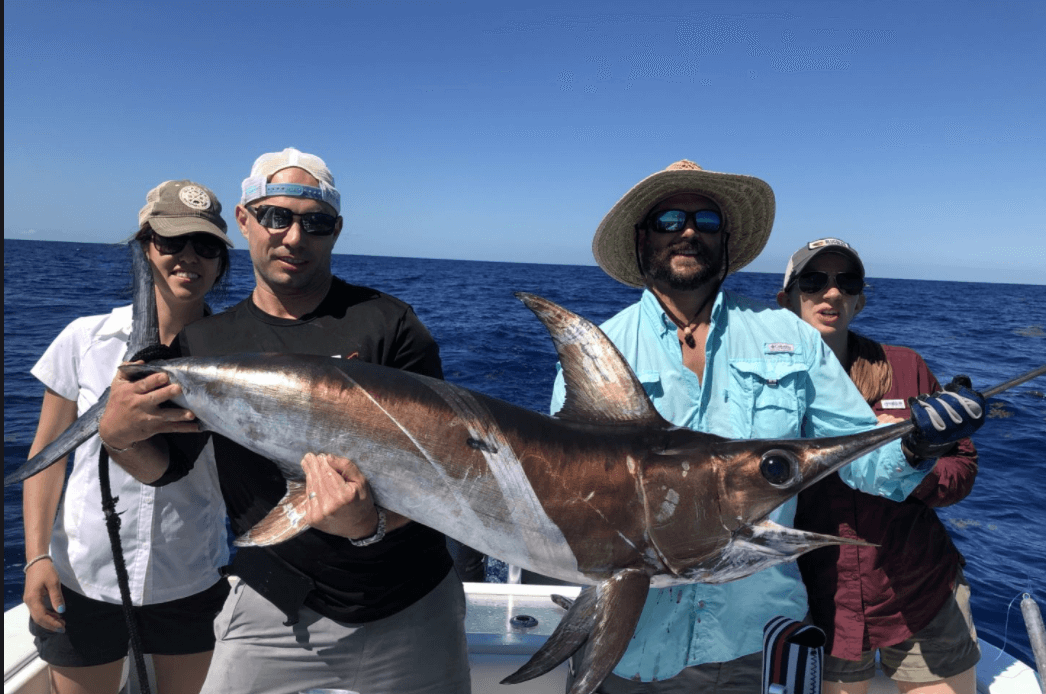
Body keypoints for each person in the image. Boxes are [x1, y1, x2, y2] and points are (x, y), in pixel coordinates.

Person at [551, 160, 985, 692]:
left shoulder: (790, 336)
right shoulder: (598, 352)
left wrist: (914, 445)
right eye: (668, 219)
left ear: (726, 241)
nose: (688, 231)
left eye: (707, 220)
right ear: (643, 239)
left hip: (755, 642)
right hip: (629, 640)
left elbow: (862, 460)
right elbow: (568, 500)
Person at [97, 148, 471, 694]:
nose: (294, 238)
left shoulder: (390, 324)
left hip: (413, 603)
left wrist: (368, 526)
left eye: (315, 222)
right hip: (273, 603)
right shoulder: (204, 342)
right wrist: (118, 438)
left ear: (335, 230)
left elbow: (449, 471)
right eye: (276, 216)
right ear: (244, 220)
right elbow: (167, 466)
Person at [22, 180, 233, 694]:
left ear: (221, 262)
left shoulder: (237, 357)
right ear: (145, 247)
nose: (189, 256)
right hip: (83, 579)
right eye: (172, 241)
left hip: (189, 579)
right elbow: (47, 455)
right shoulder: (83, 339)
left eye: (206, 246)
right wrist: (36, 557)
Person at [778, 238, 980, 694]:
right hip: (821, 603)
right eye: (813, 281)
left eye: (847, 282)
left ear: (860, 301)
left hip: (922, 592)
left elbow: (962, 469)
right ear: (784, 300)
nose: (832, 293)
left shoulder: (906, 367)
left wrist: (916, 457)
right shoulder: (767, 387)